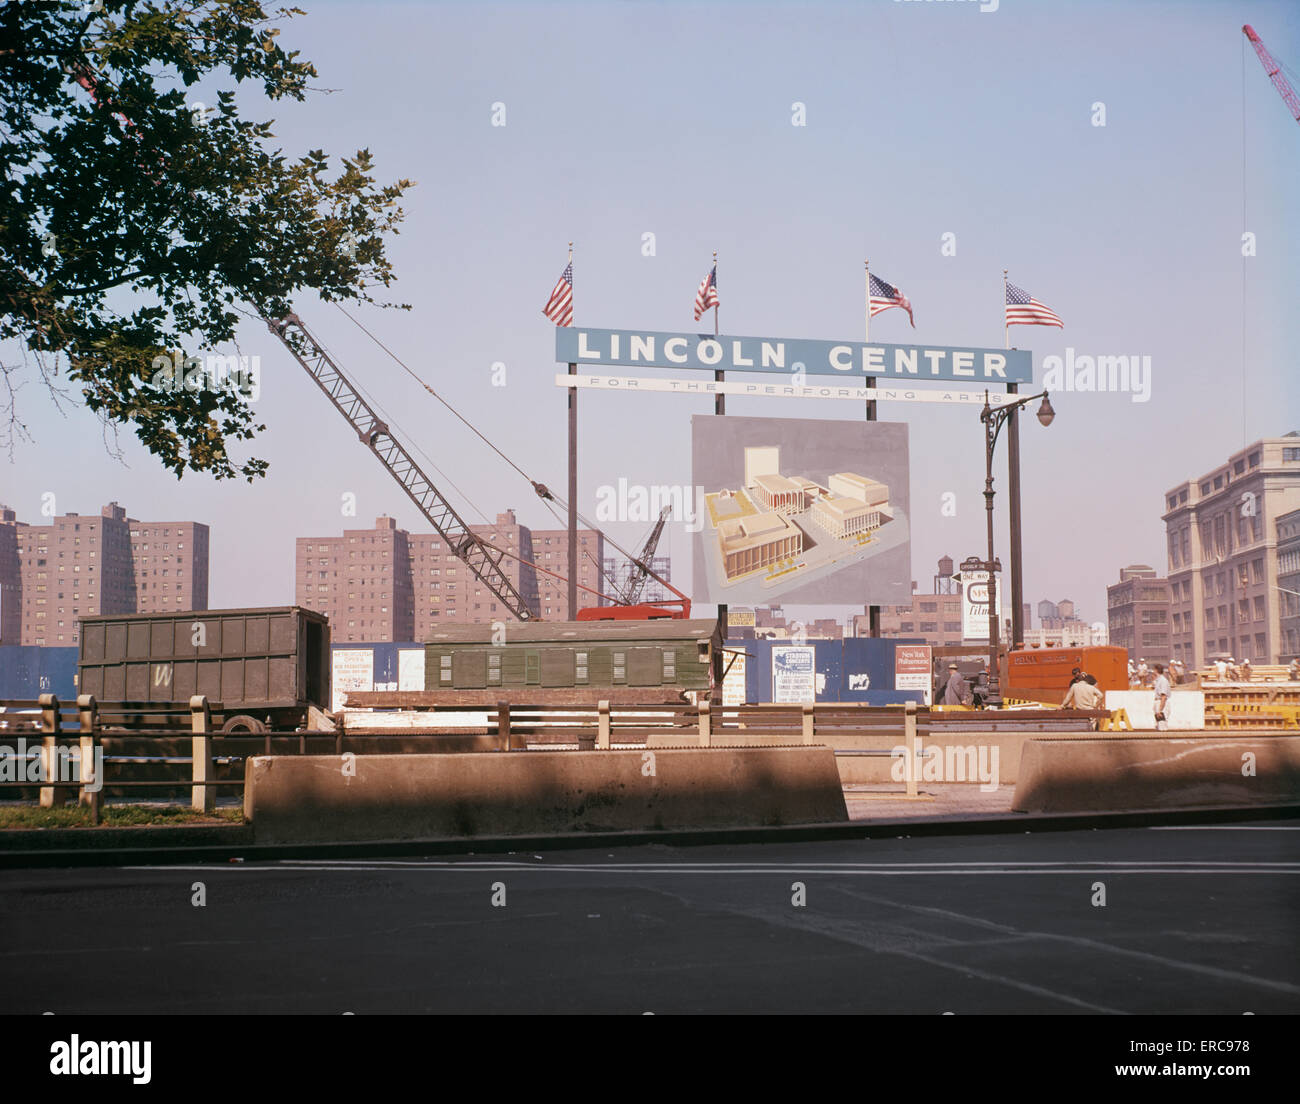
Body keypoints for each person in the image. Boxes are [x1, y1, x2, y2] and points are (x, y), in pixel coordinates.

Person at [1152, 663, 1171, 731]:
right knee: (1158, 724)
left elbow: (1163, 696)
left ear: (1156, 670)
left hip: (1161, 703)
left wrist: (1160, 710)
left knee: (1162, 724)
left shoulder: (1163, 681)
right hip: (1158, 702)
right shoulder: (1158, 680)